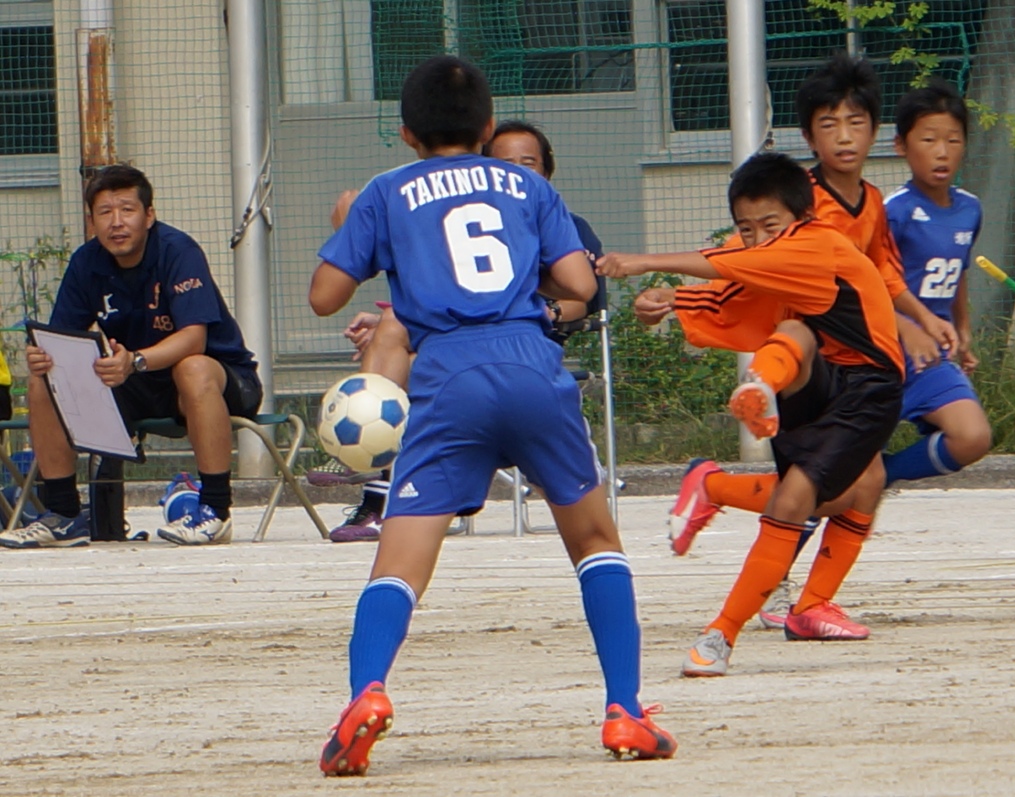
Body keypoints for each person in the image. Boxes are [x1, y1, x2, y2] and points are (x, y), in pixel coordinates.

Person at [308, 56, 675, 775]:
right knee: (595, 539)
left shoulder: (385, 190)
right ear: (487, 125)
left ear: (406, 132)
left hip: (447, 376)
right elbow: (578, 282)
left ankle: (366, 693)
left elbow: (325, 296)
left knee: (400, 561)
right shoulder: (528, 185)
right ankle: (625, 710)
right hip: (531, 365)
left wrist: (355, 230)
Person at [645, 53, 959, 633]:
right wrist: (680, 297)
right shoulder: (792, 202)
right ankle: (761, 593)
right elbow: (745, 264)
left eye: (856, 123)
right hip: (813, 369)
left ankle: (800, 594)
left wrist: (917, 318)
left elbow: (880, 274)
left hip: (858, 369)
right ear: (810, 136)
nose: (845, 136)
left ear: (875, 131)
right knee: (818, 491)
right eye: (829, 124)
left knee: (862, 483)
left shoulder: (871, 202)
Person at [597, 150, 904, 677]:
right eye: (746, 228)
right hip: (821, 375)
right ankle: (722, 634)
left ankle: (721, 491)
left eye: (769, 225)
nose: (758, 238)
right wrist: (665, 302)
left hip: (867, 386)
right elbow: (727, 294)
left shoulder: (815, 246)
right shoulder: (772, 260)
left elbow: (726, 265)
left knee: (860, 485)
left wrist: (644, 262)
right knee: (799, 490)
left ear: (802, 217)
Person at [312, 119, 610, 543]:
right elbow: (458, 291)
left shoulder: (554, 214)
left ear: (547, 168)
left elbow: (583, 294)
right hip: (466, 347)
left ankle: (375, 462)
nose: (516, 171)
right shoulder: (459, 209)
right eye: (505, 162)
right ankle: (379, 475)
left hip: (524, 345)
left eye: (528, 163)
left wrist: (542, 310)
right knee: (392, 328)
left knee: (406, 342)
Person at [0, 165, 262, 549]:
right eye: (105, 212)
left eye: (127, 210)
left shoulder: (178, 251)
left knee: (192, 368)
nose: (116, 222)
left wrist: (134, 361)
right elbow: (62, 338)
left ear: (149, 215)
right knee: (45, 378)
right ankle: (64, 515)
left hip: (221, 380)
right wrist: (43, 356)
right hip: (134, 381)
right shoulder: (86, 262)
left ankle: (215, 511)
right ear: (92, 221)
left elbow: (195, 338)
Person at [881, 78, 991, 484]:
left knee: (973, 437)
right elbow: (867, 280)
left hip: (932, 357)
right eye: (928, 140)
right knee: (839, 475)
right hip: (880, 353)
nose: (942, 152)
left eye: (953, 140)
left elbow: (957, 270)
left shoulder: (970, 209)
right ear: (901, 145)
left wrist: (962, 329)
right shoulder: (892, 211)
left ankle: (885, 475)